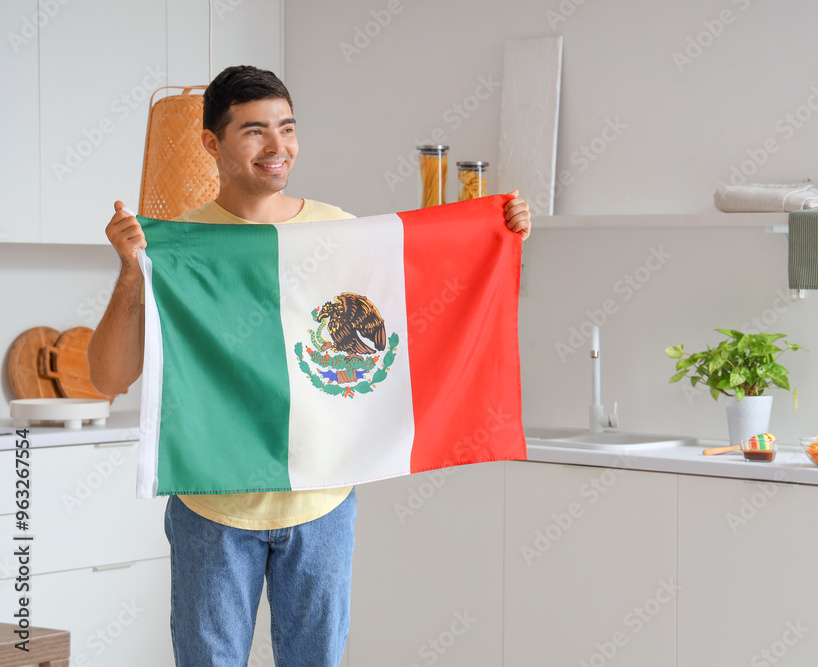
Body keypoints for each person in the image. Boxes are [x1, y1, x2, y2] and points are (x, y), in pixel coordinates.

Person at [88, 65, 531, 666]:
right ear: (211, 144)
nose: (278, 148)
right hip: (212, 509)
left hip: (321, 505)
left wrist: (496, 242)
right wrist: (131, 274)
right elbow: (107, 379)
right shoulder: (177, 245)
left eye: (287, 129)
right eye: (254, 132)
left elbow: (431, 309)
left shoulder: (339, 233)